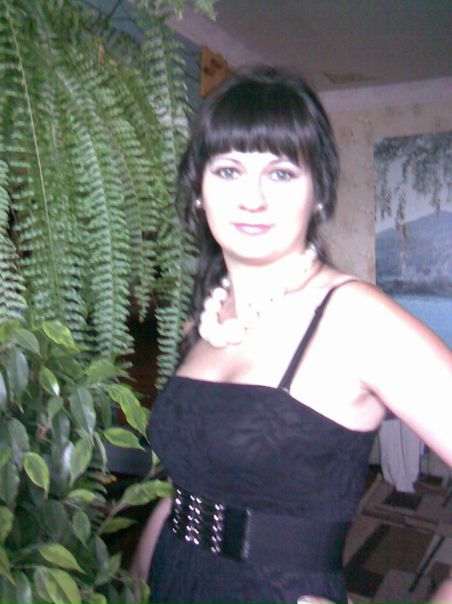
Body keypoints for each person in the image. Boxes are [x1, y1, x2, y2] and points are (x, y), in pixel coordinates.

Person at [131, 67, 452, 604]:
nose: (252, 199)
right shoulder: (204, 319)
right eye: (228, 170)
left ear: (318, 192)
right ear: (199, 191)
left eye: (280, 173)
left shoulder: (356, 319)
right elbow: (187, 492)